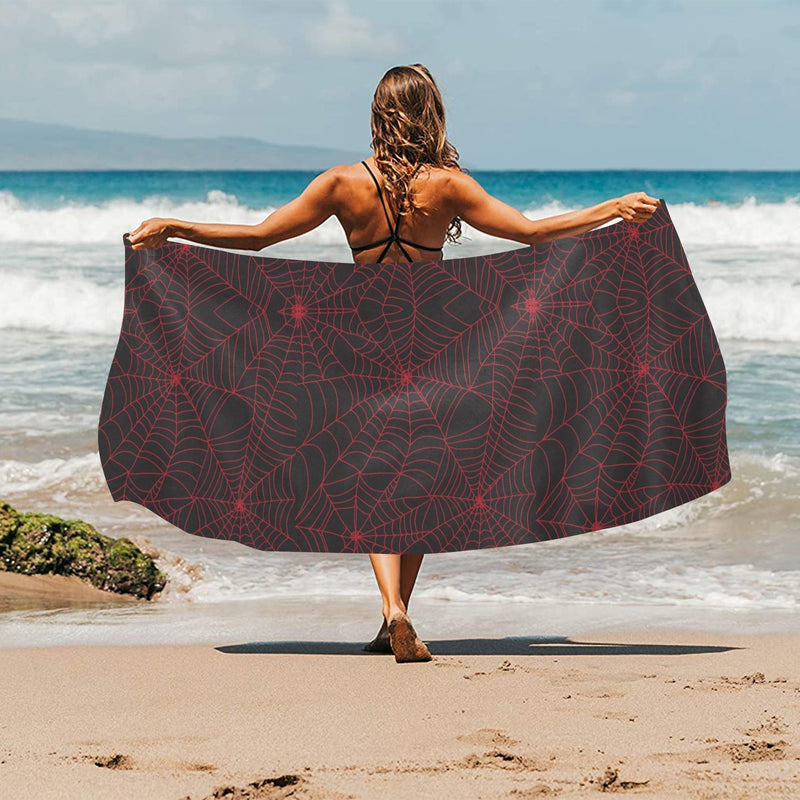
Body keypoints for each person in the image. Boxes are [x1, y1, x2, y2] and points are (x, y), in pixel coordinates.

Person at [129, 63, 661, 664]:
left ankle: (393, 613)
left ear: (379, 113)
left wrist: (176, 226)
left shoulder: (339, 183)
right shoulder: (449, 185)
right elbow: (532, 235)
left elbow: (258, 238)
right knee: (420, 480)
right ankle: (397, 613)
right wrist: (611, 208)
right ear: (431, 113)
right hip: (435, 345)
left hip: (361, 342)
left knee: (374, 478)